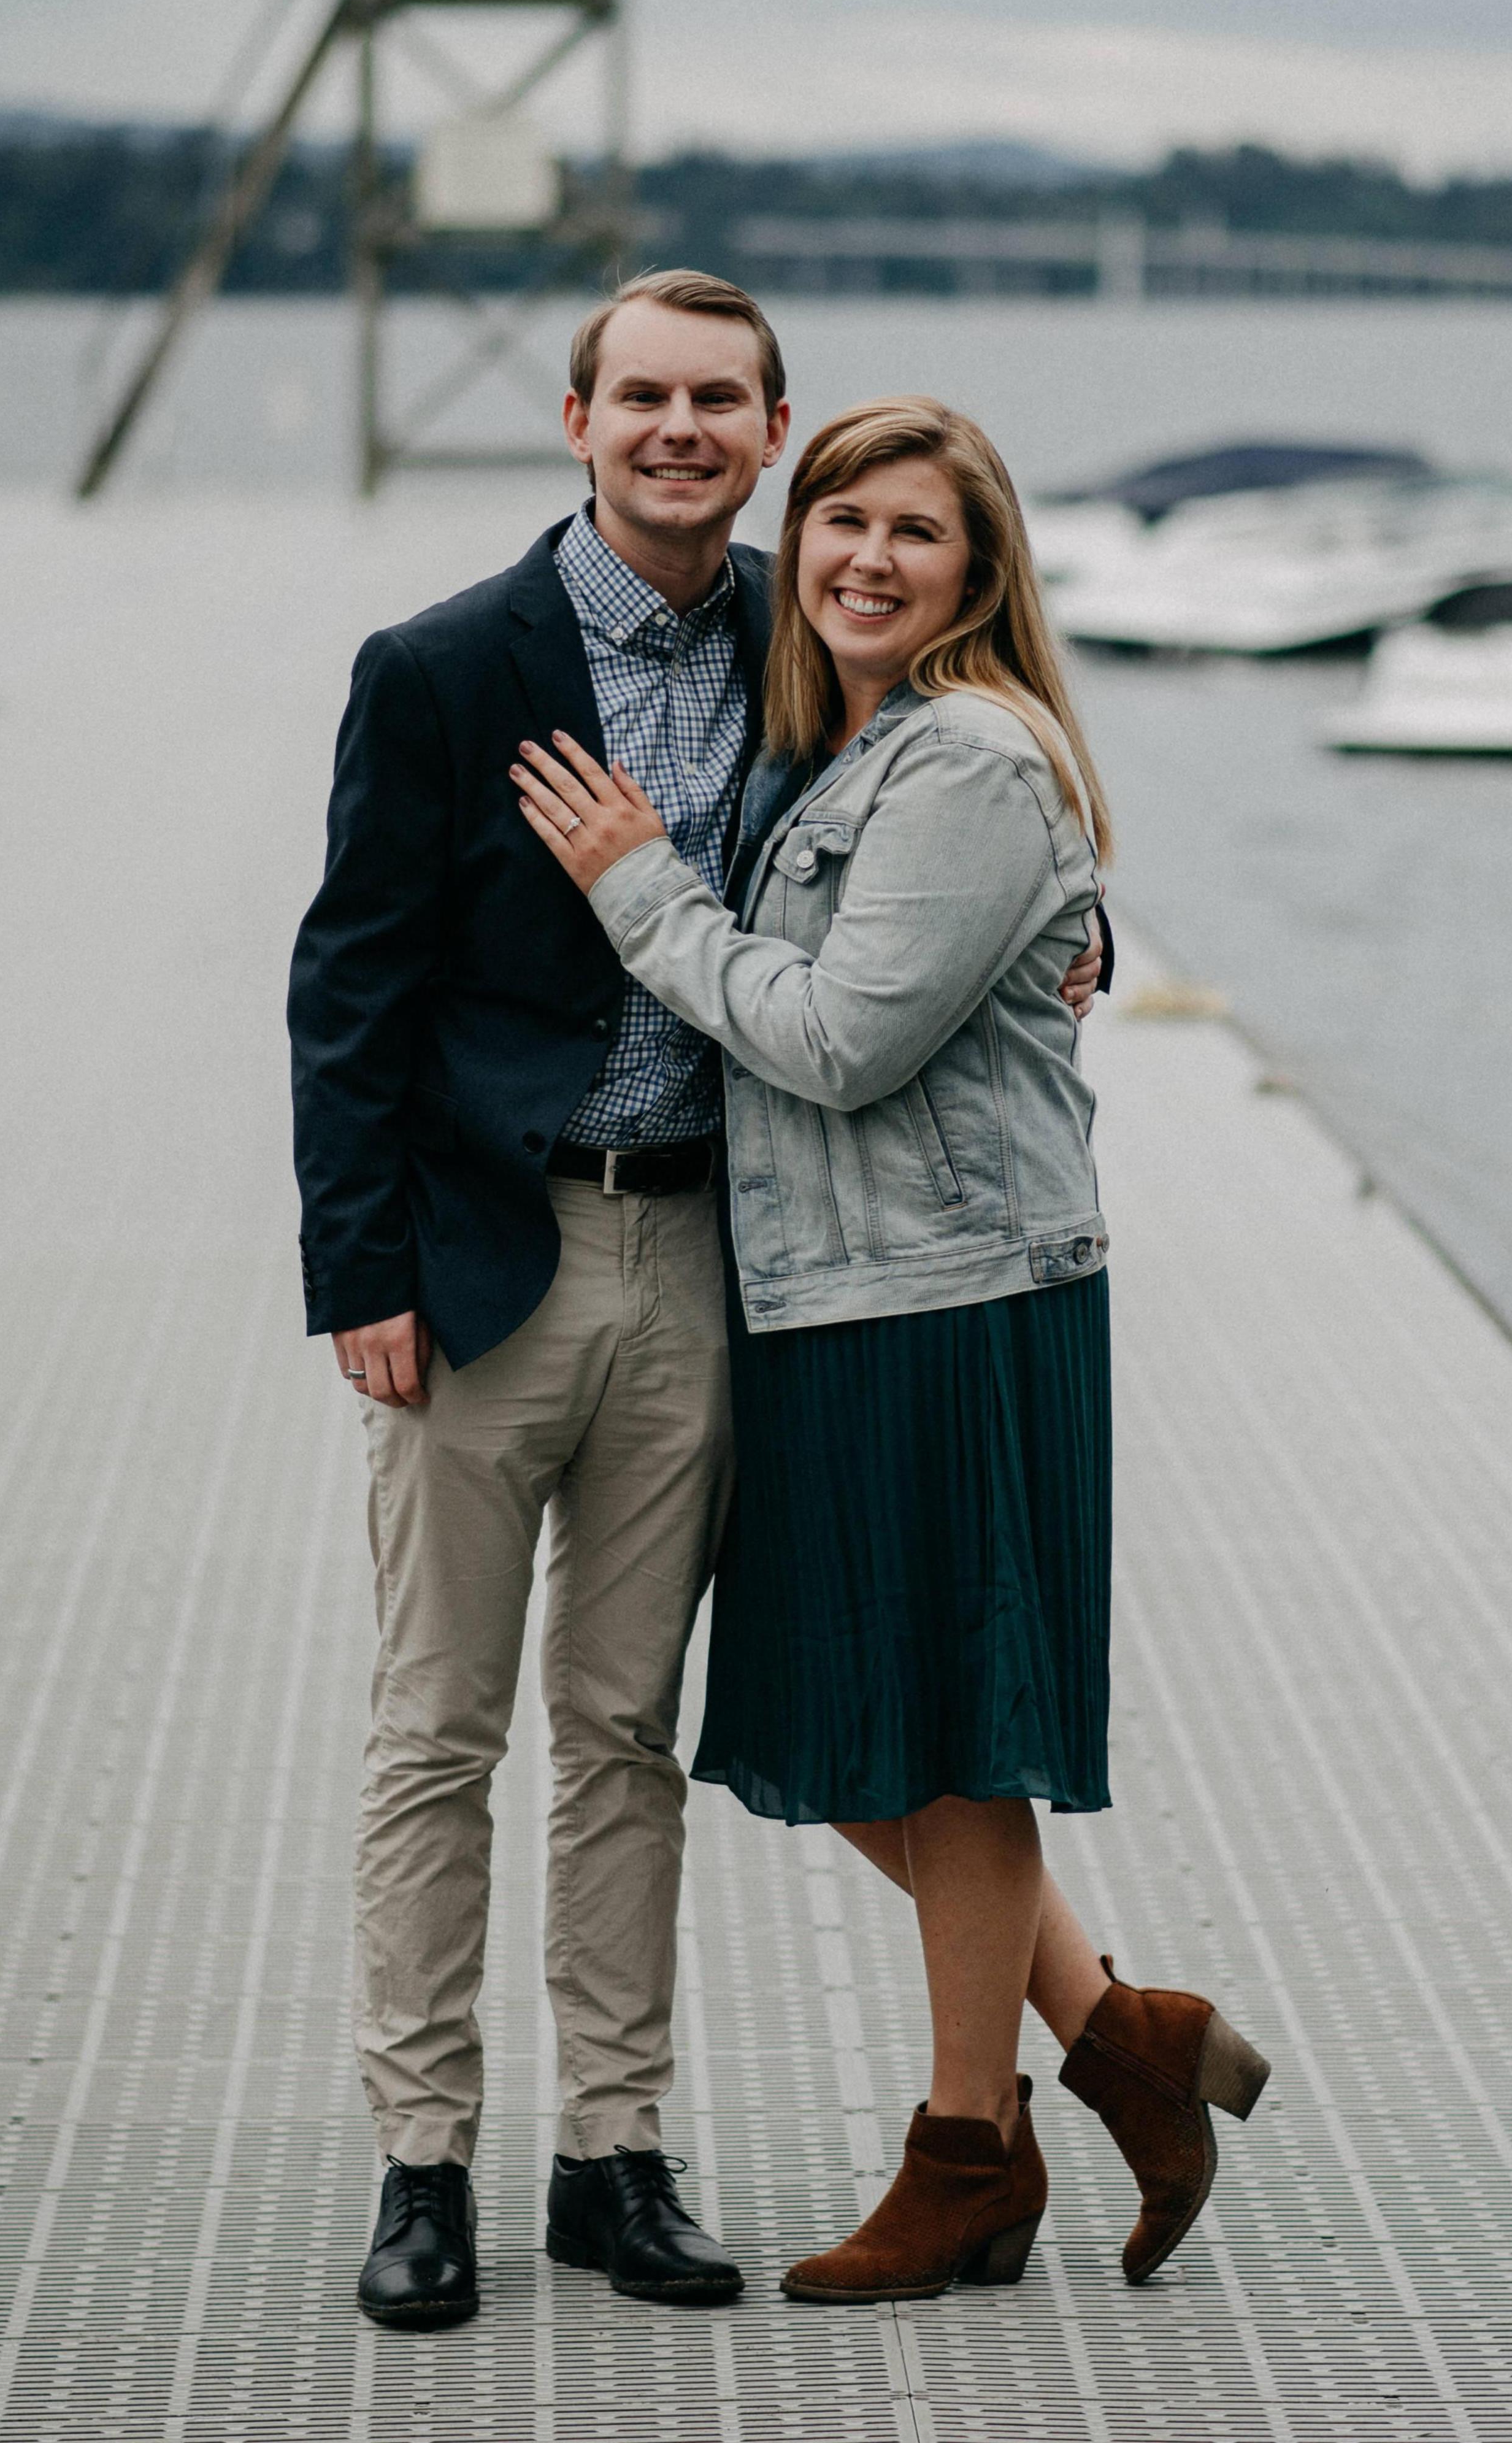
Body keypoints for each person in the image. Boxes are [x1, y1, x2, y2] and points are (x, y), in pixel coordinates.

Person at [287, 277, 1102, 2330]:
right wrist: (358, 1270)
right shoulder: (447, 666)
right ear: (575, 419)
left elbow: (954, 827)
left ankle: (615, 2157)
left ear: (769, 425)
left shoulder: (807, 630)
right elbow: (351, 987)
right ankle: (421, 2164)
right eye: (639, 395)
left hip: (708, 1261)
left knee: (625, 1734)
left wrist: (1080, 922)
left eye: (715, 401)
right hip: (479, 1268)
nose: (677, 428)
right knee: (434, 1734)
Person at [512, 396, 1269, 2306]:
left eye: (915, 534)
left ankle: (967, 2156)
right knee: (831, 1726)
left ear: (981, 573)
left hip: (953, 1304)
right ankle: (1119, 2038)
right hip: (830, 1296)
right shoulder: (839, 730)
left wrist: (639, 889)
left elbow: (846, 1041)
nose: (864, 558)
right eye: (838, 519)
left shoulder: (971, 762)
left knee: (943, 1736)